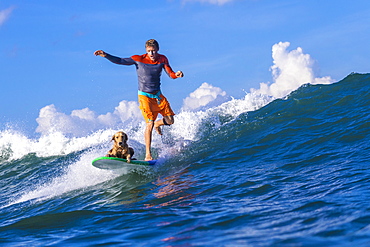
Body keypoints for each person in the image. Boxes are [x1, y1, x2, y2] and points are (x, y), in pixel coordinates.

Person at [94, 39, 184, 161]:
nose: (151, 54)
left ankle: (158, 123)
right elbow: (120, 61)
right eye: (149, 51)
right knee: (149, 124)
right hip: (144, 96)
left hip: (157, 95)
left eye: (153, 51)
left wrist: (177, 74)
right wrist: (106, 55)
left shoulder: (162, 59)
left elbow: (171, 74)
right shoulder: (138, 59)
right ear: (146, 51)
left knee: (170, 120)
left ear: (157, 50)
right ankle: (148, 153)